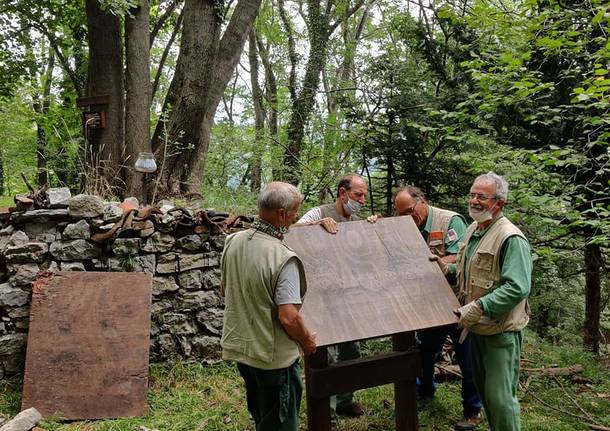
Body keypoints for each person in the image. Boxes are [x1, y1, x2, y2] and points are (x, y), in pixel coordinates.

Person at [432, 172, 532, 431]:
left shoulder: (511, 237)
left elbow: (517, 287)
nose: (474, 201)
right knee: (486, 395)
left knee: (501, 400)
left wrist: (479, 307)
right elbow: (469, 272)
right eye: (472, 195)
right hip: (476, 329)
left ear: (499, 203)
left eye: (482, 197)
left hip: (499, 333)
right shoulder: (474, 229)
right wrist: (448, 269)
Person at [220, 181, 317, 431]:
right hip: (274, 360)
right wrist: (307, 342)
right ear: (282, 214)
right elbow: (288, 318)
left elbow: (225, 290)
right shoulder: (283, 257)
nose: (298, 215)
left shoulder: (233, 241)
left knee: (262, 415)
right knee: (280, 423)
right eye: (296, 210)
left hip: (244, 351)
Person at [395, 186, 483, 429]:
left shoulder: (450, 221)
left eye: (409, 211)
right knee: (425, 351)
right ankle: (424, 391)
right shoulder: (405, 223)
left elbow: (461, 256)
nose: (406, 218)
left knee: (467, 358)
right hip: (431, 303)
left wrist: (440, 264)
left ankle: (472, 409)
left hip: (458, 303)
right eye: (400, 213)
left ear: (422, 202)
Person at [295, 173, 368, 417]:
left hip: (349, 294)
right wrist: (317, 225)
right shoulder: (319, 212)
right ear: (342, 192)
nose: (363, 199)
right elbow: (292, 230)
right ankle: (325, 408)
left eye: (365, 195)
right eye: (359, 194)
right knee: (327, 351)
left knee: (351, 349)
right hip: (322, 294)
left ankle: (345, 401)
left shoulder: (357, 220)